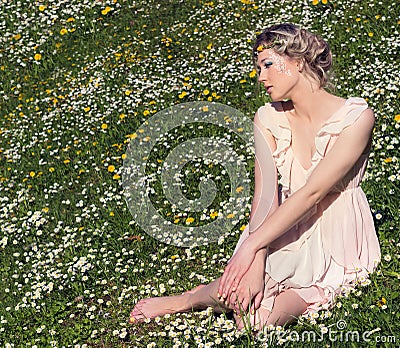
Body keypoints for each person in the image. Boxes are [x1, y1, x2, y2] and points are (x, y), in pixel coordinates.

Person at [129, 23, 381, 331]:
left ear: (298, 62)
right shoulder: (267, 118)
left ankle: (208, 296)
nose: (261, 77)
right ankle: (189, 299)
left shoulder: (356, 118)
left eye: (267, 65)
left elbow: (313, 193)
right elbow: (265, 196)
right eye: (258, 68)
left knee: (252, 323)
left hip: (337, 235)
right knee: (240, 293)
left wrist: (250, 246)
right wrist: (258, 252)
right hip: (282, 227)